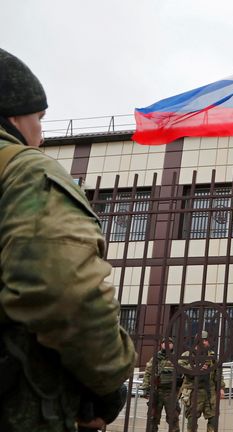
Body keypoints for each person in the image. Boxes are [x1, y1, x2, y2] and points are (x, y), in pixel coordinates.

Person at [0, 48, 136, 432]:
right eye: (39, 119)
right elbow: (63, 291)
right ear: (13, 116)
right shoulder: (24, 168)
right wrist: (107, 382)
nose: (41, 134)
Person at [179, 331, 225, 432]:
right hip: (193, 391)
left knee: (214, 418)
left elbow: (218, 373)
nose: (204, 342)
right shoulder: (187, 354)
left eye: (205, 340)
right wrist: (195, 368)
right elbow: (179, 367)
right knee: (192, 419)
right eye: (201, 340)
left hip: (210, 391)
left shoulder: (212, 356)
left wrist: (221, 388)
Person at [141, 337, 182, 432]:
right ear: (161, 345)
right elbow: (148, 373)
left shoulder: (176, 359)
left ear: (173, 345)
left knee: (173, 419)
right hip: (157, 391)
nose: (167, 344)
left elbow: (183, 373)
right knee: (152, 419)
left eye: (169, 343)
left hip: (171, 393)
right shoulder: (156, 358)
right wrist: (145, 388)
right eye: (164, 343)